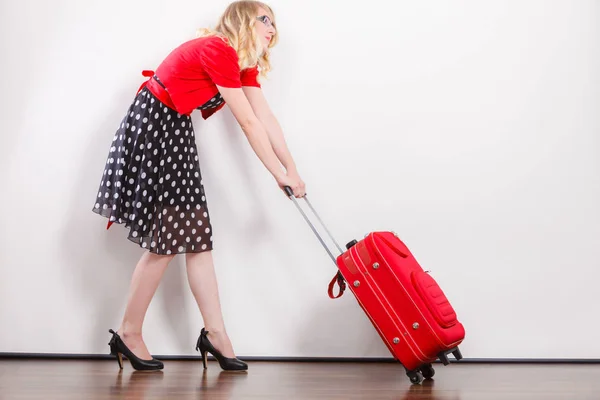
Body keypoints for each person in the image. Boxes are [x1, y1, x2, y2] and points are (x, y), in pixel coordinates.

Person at [93, 0, 306, 372]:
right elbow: (248, 124)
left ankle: (216, 334)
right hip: (155, 126)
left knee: (194, 233)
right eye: (264, 20)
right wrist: (277, 174)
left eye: (275, 24)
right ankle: (129, 333)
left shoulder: (242, 63)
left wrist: (292, 168)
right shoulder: (218, 50)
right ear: (242, 21)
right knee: (169, 238)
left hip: (174, 128)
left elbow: (265, 116)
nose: (272, 30)